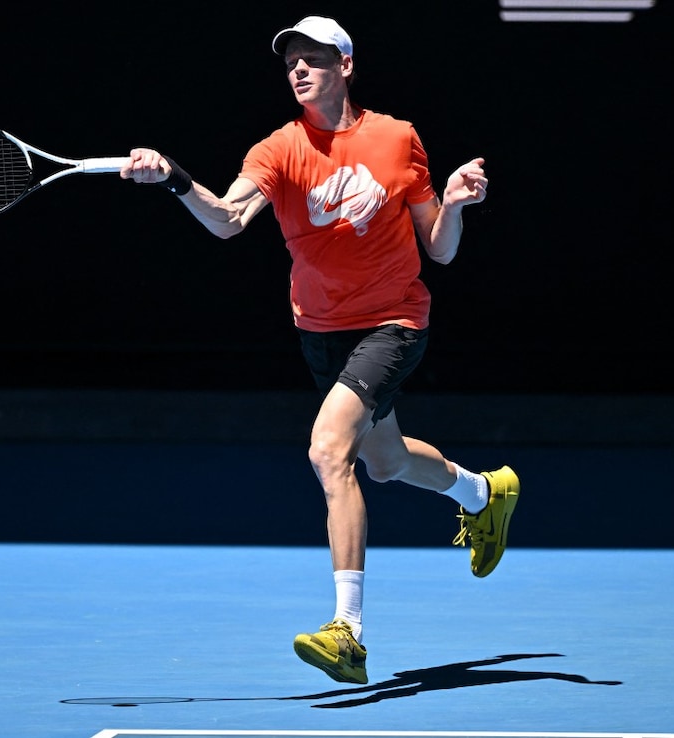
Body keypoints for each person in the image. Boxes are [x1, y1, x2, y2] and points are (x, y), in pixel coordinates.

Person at [119, 15, 520, 685]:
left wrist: (452, 204)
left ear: (346, 66)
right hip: (320, 330)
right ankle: (485, 495)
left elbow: (440, 250)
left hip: (394, 322)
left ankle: (348, 632)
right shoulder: (277, 150)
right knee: (386, 463)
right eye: (291, 63)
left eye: (314, 59)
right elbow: (225, 220)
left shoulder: (397, 138)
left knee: (329, 450)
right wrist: (174, 180)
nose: (299, 70)